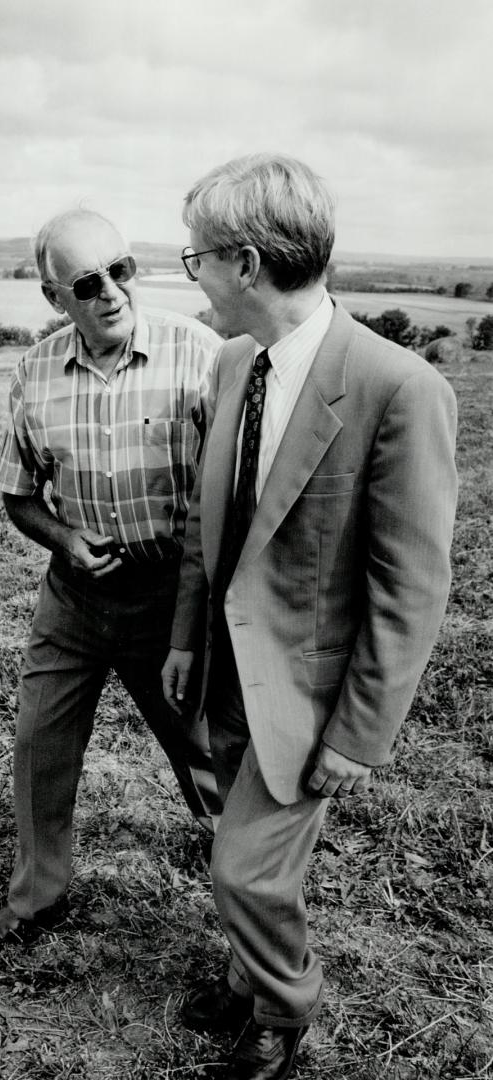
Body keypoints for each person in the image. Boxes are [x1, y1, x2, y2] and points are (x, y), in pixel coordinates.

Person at [161, 154, 457, 1080]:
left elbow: (410, 586)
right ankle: (261, 983)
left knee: (244, 870)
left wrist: (359, 737)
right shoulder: (233, 363)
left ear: (245, 264)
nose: (192, 274)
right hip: (224, 677)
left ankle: (285, 1014)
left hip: (312, 700)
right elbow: (209, 528)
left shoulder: (399, 388)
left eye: (195, 257)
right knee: (250, 857)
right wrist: (181, 637)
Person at [0, 208, 223, 955]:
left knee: (202, 745)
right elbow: (19, 497)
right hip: (75, 596)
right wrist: (67, 540)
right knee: (38, 745)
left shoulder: (199, 354)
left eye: (122, 270)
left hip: (172, 595)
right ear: (55, 298)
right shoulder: (34, 373)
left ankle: (245, 869)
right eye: (87, 282)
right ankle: (37, 898)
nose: (112, 292)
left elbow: (237, 491)